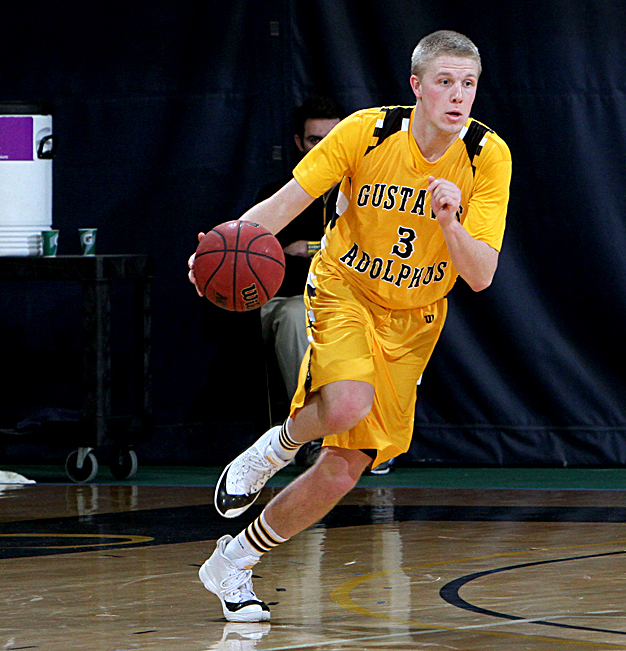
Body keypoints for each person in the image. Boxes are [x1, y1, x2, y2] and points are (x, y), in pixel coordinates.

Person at [188, 29, 511, 623]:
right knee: (343, 405)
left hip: (414, 318)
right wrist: (221, 244)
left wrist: (450, 222)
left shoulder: (488, 156)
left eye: (468, 83)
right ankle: (270, 451)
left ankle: (232, 561)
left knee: (343, 468)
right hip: (346, 290)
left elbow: (482, 275)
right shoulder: (366, 131)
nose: (458, 95)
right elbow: (287, 203)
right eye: (444, 82)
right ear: (416, 87)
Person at [256, 96, 343, 408]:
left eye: (331, 139)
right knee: (296, 316)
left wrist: (308, 248)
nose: (322, 149)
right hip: (289, 301)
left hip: (347, 303)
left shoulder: (365, 195)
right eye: (313, 140)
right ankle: (312, 429)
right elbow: (276, 272)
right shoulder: (276, 197)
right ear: (299, 142)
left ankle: (368, 439)